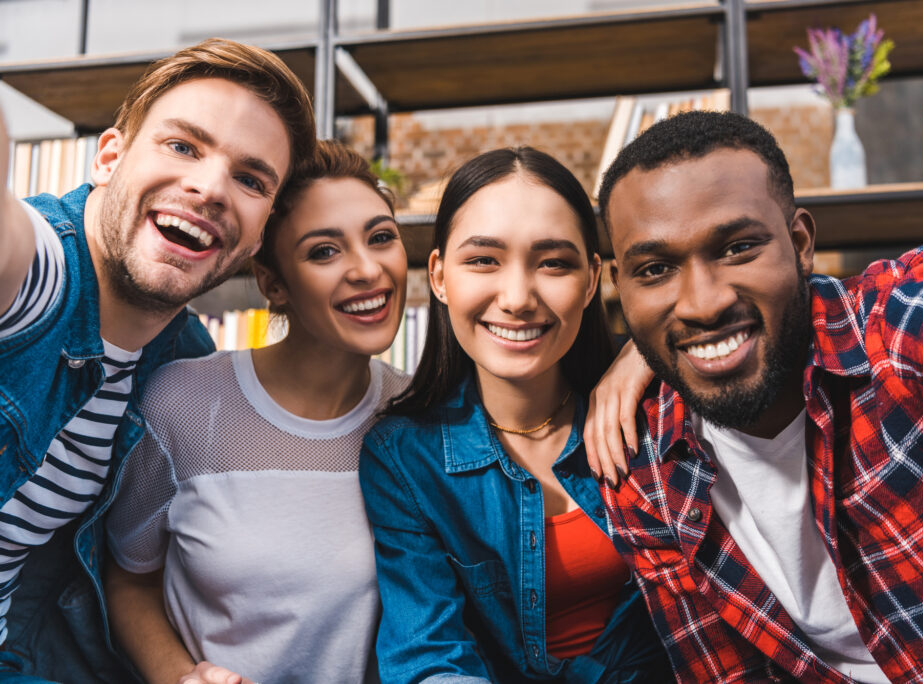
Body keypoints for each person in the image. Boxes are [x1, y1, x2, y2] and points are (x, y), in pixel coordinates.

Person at [591, 109, 923, 682]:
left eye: (738, 248)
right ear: (618, 284)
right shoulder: (642, 467)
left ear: (799, 243)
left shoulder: (903, 329)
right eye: (656, 269)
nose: (702, 302)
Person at [0, 39, 315, 682]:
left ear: (260, 236)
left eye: (251, 180)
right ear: (110, 158)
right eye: (182, 146)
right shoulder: (38, 274)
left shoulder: (182, 364)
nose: (208, 187)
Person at [359, 146, 671, 683]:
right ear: (438, 276)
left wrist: (653, 347)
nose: (518, 297)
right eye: (483, 260)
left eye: (554, 263)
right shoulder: (404, 460)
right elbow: (429, 660)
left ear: (594, 278)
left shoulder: (659, 406)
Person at [103, 140, 408, 684]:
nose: (368, 269)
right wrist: (180, 677)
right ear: (273, 284)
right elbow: (129, 580)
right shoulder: (182, 404)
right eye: (323, 251)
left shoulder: (419, 418)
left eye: (381, 237)